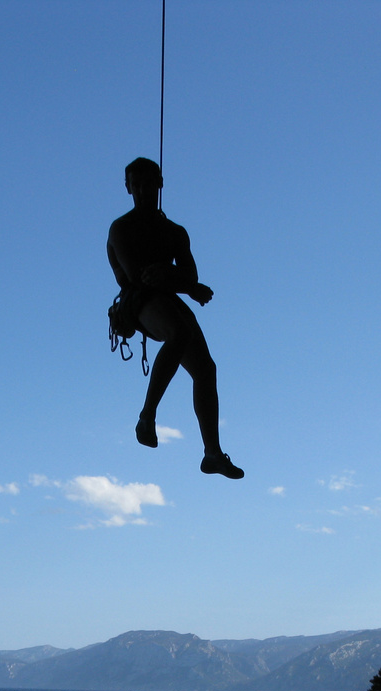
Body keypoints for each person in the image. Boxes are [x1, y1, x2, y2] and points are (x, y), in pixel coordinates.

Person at [107, 157, 244, 479]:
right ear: (128, 188)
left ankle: (212, 453)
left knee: (206, 369)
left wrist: (182, 281)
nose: (142, 191)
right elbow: (139, 277)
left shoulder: (174, 232)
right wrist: (185, 284)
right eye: (136, 185)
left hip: (165, 299)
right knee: (179, 334)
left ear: (160, 184)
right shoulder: (122, 228)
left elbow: (189, 274)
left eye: (148, 184)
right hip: (139, 302)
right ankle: (147, 415)